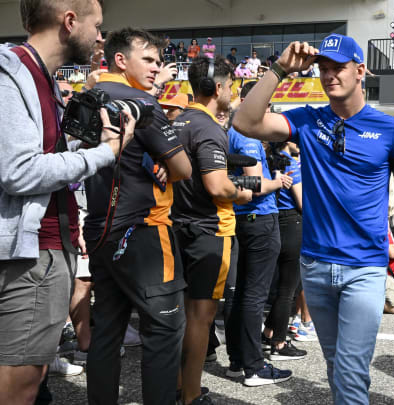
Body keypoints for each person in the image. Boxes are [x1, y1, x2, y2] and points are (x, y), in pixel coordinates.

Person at [231, 35, 394, 404]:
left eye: (337, 67)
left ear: (360, 71)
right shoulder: (308, 119)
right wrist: (280, 69)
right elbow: (244, 121)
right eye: (323, 68)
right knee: (335, 364)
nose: (328, 75)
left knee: (352, 373)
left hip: (365, 269)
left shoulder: (390, 128)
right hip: (316, 266)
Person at [0, 0, 137, 404]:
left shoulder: (42, 78)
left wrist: (89, 143)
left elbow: (41, 157)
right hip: (29, 256)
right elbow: (18, 172)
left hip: (45, 246)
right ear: (70, 21)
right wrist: (105, 153)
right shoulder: (13, 74)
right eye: (97, 26)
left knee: (32, 380)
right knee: (21, 384)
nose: (99, 36)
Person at [83, 27, 192, 405]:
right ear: (120, 59)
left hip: (98, 229)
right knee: (164, 331)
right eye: (148, 59)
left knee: (107, 333)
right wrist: (165, 163)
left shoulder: (88, 95)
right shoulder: (140, 103)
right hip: (143, 231)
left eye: (159, 62)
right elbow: (183, 168)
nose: (155, 68)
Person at [171, 56, 251, 405]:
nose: (232, 91)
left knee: (179, 316)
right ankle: (190, 394)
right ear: (217, 88)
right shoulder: (208, 127)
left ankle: (176, 385)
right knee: (200, 318)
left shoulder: (177, 121)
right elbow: (218, 187)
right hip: (208, 230)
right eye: (231, 85)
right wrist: (244, 192)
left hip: (178, 226)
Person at [224, 80, 297, 386]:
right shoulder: (249, 136)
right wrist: (278, 183)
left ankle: (239, 361)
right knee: (253, 296)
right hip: (259, 218)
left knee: (240, 294)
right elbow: (251, 186)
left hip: (240, 220)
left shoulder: (228, 130)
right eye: (267, 106)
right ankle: (254, 366)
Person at [261, 141, 307, 360]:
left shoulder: (267, 158)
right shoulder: (289, 162)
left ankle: (270, 331)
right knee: (288, 288)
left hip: (272, 220)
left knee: (282, 285)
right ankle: (279, 343)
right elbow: (302, 202)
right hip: (292, 222)